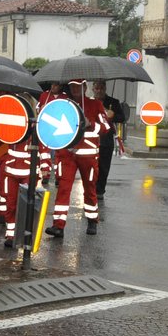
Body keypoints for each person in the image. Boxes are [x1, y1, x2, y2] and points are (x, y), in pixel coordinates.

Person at [45, 80, 107, 238]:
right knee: (63, 188)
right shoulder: (65, 104)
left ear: (85, 87)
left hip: (87, 154)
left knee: (89, 188)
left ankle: (92, 219)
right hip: (67, 153)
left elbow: (106, 127)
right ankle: (58, 225)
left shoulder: (95, 105)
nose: (75, 89)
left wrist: (91, 124)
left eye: (78, 86)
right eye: (72, 86)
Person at [0, 138, 53, 249]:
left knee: (27, 205)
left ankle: (25, 234)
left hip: (29, 171)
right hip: (11, 170)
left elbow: (43, 146)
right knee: (11, 203)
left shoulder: (36, 128)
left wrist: (45, 165)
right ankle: (11, 234)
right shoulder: (14, 124)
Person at [94, 80, 127, 209]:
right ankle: (91, 188)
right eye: (97, 88)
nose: (99, 90)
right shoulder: (90, 102)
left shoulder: (113, 102)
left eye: (101, 88)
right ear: (93, 89)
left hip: (106, 140)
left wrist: (112, 115)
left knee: (103, 167)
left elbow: (122, 118)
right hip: (92, 139)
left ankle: (100, 190)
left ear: (105, 89)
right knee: (92, 167)